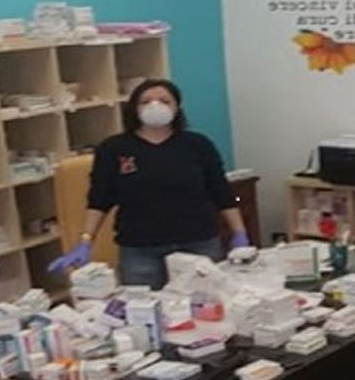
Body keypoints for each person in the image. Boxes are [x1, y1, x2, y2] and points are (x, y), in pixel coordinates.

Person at [48, 78, 249, 289]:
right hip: (140, 249)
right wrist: (85, 242)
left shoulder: (198, 145)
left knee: (205, 302)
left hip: (198, 242)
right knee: (142, 306)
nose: (155, 106)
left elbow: (223, 192)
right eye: (146, 101)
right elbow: (99, 199)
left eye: (164, 101)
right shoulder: (113, 149)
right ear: (134, 108)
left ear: (176, 108)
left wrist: (239, 233)